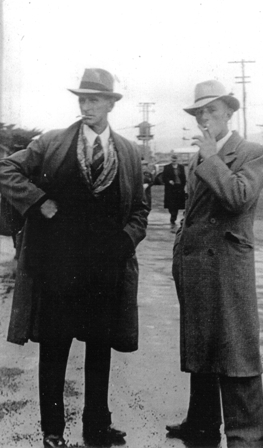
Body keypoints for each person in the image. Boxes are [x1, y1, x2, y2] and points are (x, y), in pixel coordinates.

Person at [0, 68, 149, 448]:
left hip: (104, 270)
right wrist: (38, 201)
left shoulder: (129, 152)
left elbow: (140, 211)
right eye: (81, 99)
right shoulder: (51, 143)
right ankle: (53, 430)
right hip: (57, 268)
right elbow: (6, 168)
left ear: (111, 104)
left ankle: (97, 425)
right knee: (54, 348)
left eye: (94, 99)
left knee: (100, 349)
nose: (86, 106)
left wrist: (125, 241)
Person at [166, 80, 263, 448]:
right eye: (199, 112)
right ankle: (202, 424)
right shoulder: (200, 155)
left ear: (229, 111)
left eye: (211, 110)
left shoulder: (253, 152)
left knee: (236, 352)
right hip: (195, 266)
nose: (204, 118)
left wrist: (211, 158)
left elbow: (238, 198)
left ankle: (246, 437)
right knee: (202, 347)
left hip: (227, 268)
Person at [162, 154, 186, 232]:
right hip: (170, 189)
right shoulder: (166, 167)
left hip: (179, 188)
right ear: (171, 160)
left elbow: (183, 177)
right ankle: (173, 217)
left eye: (175, 160)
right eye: (172, 160)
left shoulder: (181, 167)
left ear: (177, 160)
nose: (173, 161)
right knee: (171, 205)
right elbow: (163, 178)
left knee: (176, 205)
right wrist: (169, 181)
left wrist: (184, 187)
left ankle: (173, 220)